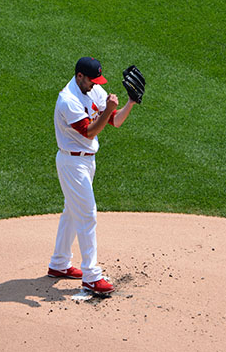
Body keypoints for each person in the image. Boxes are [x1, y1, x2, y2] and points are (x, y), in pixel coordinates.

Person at [48, 56, 137, 294]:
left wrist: (130, 102)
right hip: (71, 163)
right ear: (79, 77)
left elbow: (115, 121)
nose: (96, 85)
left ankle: (59, 263)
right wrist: (107, 109)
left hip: (87, 162)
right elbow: (89, 131)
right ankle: (91, 276)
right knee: (87, 215)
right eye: (92, 80)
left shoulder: (92, 88)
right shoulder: (68, 100)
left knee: (71, 211)